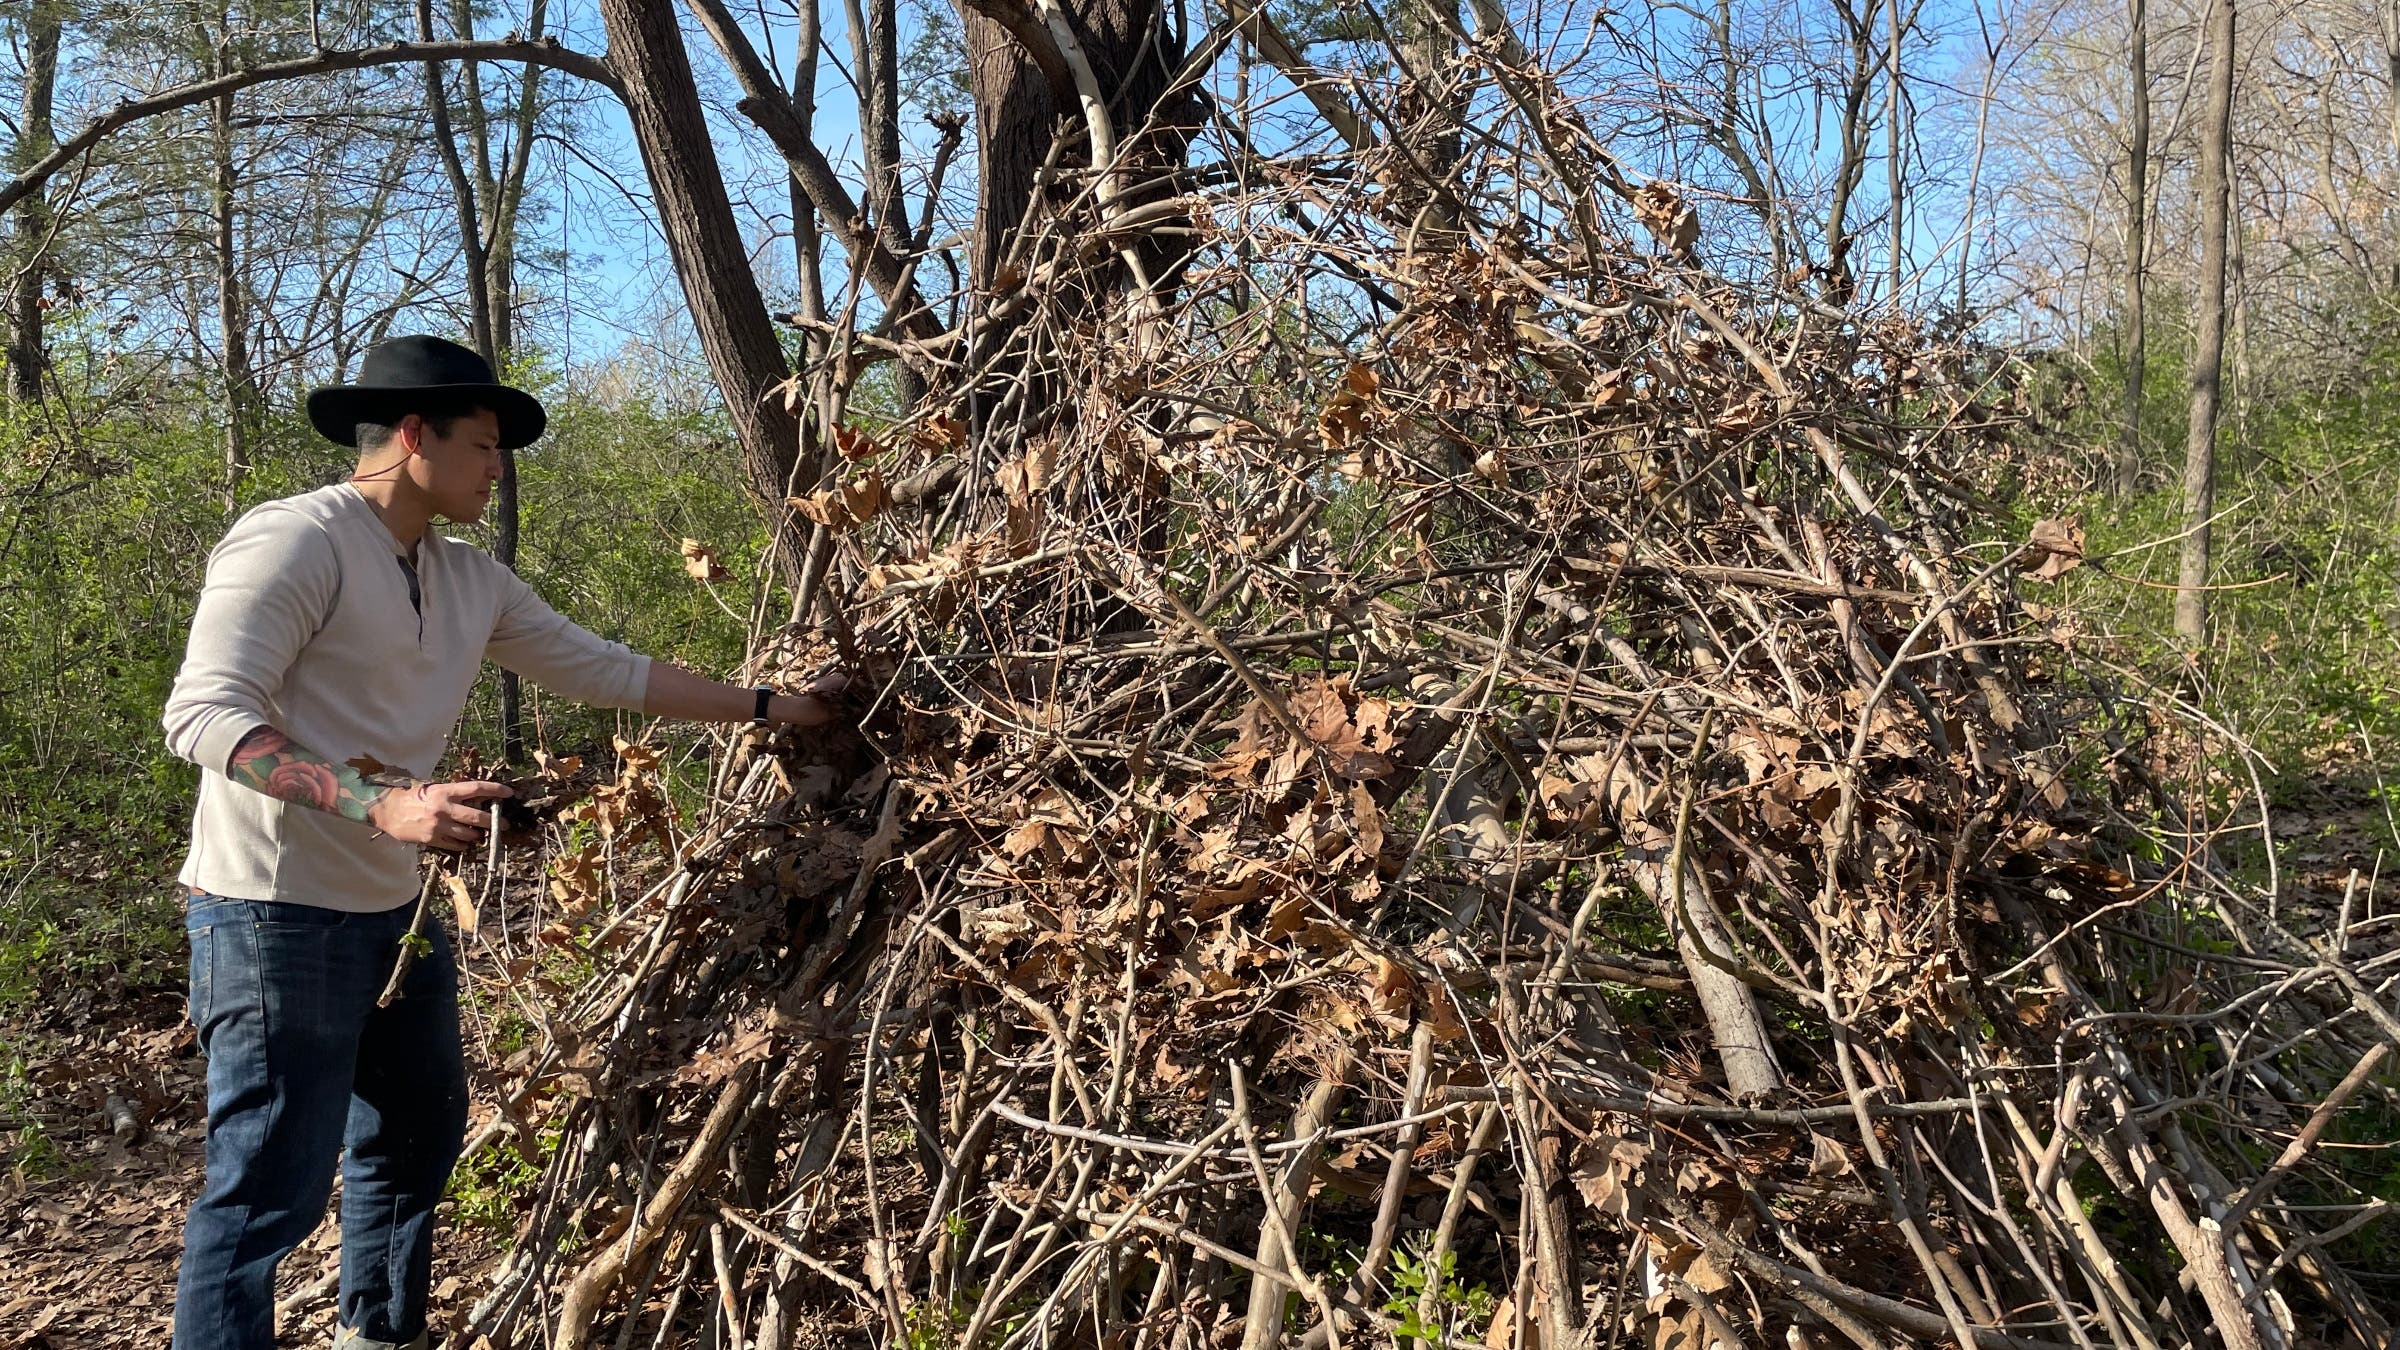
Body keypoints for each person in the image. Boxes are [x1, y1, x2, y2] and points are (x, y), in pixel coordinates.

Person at [161, 335, 838, 1350]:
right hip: (273, 913)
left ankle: (377, 1338)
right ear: (409, 436)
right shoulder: (294, 541)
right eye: (482, 443)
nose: (497, 466)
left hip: (399, 914)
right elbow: (203, 717)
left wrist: (777, 707)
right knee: (268, 1191)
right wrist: (379, 805)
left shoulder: (466, 577)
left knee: (412, 1146)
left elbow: (604, 668)